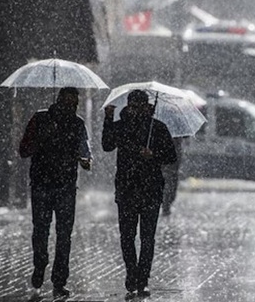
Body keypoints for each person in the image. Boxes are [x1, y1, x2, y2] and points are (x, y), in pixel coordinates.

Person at [102, 90, 177, 299]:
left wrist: (153, 155)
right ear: (129, 106)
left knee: (147, 238)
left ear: (147, 107)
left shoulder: (158, 128)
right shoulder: (121, 125)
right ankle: (131, 273)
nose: (136, 111)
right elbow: (107, 145)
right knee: (127, 236)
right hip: (126, 189)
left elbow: (171, 156)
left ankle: (142, 278)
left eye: (140, 106)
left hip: (151, 189)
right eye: (133, 106)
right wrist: (108, 119)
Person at [18, 87, 92, 299]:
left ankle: (59, 280)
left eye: (74, 104)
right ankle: (40, 265)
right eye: (67, 103)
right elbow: (24, 150)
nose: (70, 108)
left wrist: (86, 161)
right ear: (58, 101)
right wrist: (43, 135)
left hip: (66, 186)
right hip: (42, 184)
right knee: (41, 230)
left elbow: (85, 151)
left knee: (64, 235)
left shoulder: (77, 124)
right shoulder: (40, 119)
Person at [161, 137, 184, 216]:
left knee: (169, 183)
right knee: (170, 184)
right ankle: (166, 203)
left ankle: (166, 202)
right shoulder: (176, 139)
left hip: (170, 165)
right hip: (170, 164)